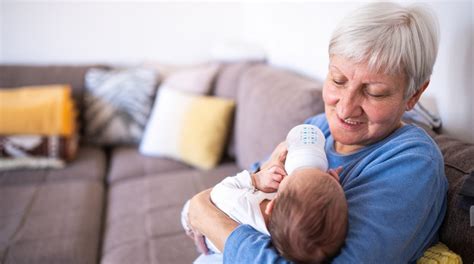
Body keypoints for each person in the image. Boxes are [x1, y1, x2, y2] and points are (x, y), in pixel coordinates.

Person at [187, 2, 448, 263]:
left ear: (413, 95)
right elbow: (245, 186)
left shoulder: (412, 161)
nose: (346, 108)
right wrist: (203, 208)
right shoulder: (316, 129)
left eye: (374, 92)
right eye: (338, 80)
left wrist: (205, 214)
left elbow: (206, 210)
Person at [182, 126, 349, 263]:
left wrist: (255, 179)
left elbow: (218, 192)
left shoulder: (242, 205)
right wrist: (330, 185)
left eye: (291, 176)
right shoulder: (289, 235)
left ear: (272, 204)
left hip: (204, 222)